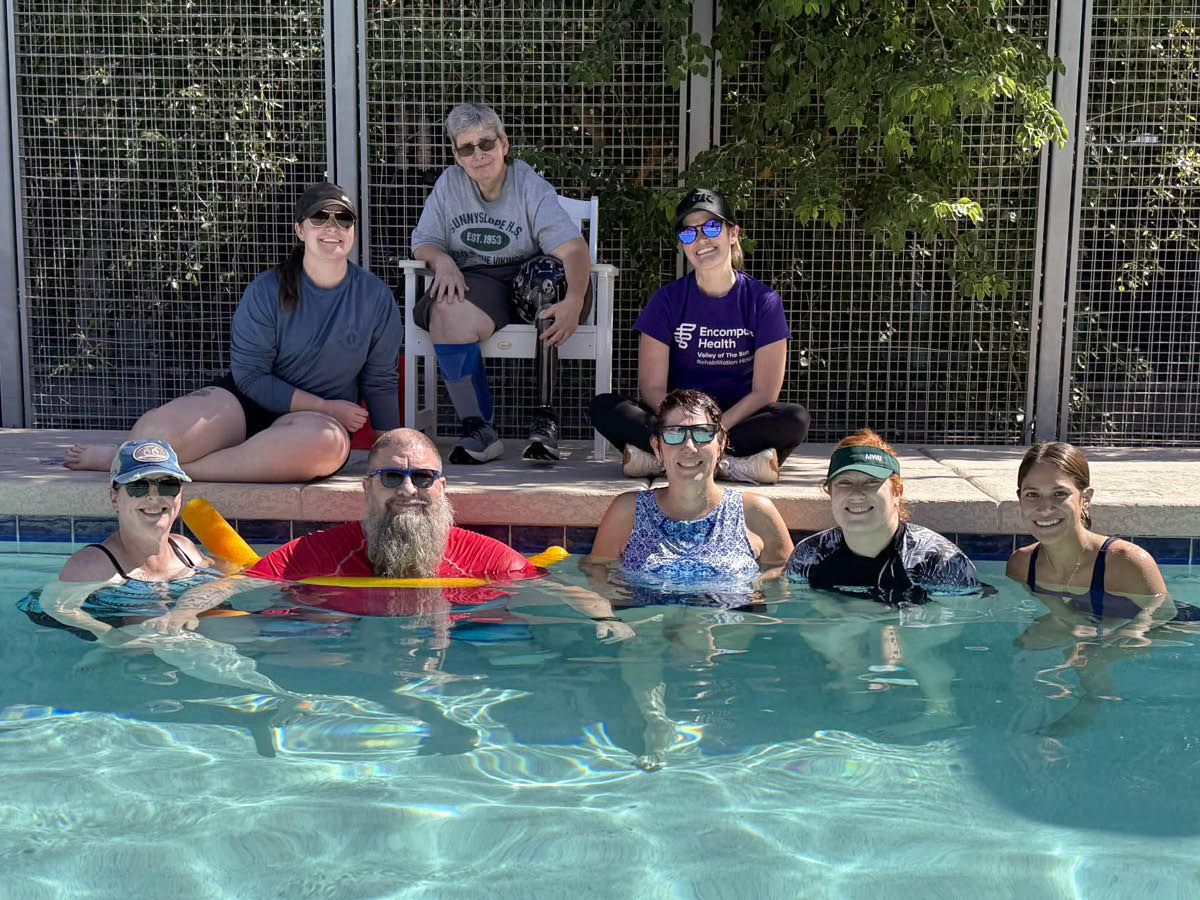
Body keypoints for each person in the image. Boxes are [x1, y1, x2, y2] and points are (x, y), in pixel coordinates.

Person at [64, 183, 403, 482]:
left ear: (353, 231)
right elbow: (251, 377)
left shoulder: (374, 297)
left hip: (315, 425)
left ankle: (162, 468)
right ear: (300, 230)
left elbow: (380, 380)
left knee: (324, 447)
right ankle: (140, 456)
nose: (333, 227)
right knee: (156, 433)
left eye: (343, 219)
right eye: (320, 218)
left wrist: (386, 452)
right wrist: (328, 406)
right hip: (249, 404)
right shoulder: (266, 290)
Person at [586, 388, 792, 769]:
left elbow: (786, 577)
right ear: (656, 444)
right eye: (675, 434)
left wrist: (756, 591)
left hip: (726, 636)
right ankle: (655, 720)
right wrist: (604, 614)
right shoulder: (628, 510)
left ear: (722, 441)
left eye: (701, 434)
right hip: (647, 636)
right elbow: (597, 571)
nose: (689, 448)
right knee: (641, 643)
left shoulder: (756, 512)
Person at [411, 102, 592, 464]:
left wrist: (574, 300)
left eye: (486, 144)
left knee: (546, 282)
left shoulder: (528, 184)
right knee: (445, 306)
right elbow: (423, 242)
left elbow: (573, 250)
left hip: (531, 282)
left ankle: (545, 423)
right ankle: (480, 429)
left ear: (504, 145)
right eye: (467, 148)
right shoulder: (450, 185)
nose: (478, 154)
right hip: (481, 283)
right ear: (457, 155)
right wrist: (442, 260)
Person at [589, 187, 809, 484]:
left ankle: (665, 461)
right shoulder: (666, 300)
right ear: (683, 244)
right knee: (605, 408)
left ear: (733, 233)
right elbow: (652, 387)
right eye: (689, 233)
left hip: (736, 422)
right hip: (677, 419)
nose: (701, 240)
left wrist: (716, 429)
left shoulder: (763, 301)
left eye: (711, 227)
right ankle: (730, 465)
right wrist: (688, 426)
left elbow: (765, 393)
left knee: (794, 420)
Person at [786, 429, 979, 737]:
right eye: (845, 483)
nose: (857, 494)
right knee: (828, 634)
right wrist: (853, 616)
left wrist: (889, 623)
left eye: (872, 483)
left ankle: (941, 710)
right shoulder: (809, 555)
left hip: (914, 632)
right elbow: (802, 606)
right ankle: (856, 706)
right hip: (849, 630)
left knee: (910, 643)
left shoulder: (937, 558)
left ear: (897, 491)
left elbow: (961, 618)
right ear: (830, 492)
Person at [1005, 442, 1191, 734]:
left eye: (1060, 493)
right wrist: (1067, 621)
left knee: (1088, 658)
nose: (1044, 508)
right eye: (1032, 495)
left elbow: (1161, 615)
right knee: (1028, 642)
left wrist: (1106, 653)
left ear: (1085, 498)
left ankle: (1095, 704)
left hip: (1174, 626)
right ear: (1020, 499)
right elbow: (1052, 606)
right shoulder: (1021, 565)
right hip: (1095, 616)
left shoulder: (1126, 561)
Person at [20, 439, 226, 643]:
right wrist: (110, 636)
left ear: (179, 495)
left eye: (167, 485)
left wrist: (187, 609)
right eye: (138, 486)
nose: (154, 496)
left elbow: (229, 580)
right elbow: (55, 605)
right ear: (114, 498)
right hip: (137, 653)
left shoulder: (185, 550)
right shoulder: (92, 565)